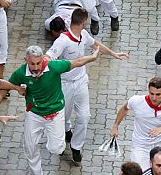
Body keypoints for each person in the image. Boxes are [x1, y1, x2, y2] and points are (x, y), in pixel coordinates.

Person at [47, 8, 127, 162]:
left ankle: (76, 146)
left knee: (84, 116)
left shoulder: (83, 34)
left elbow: (96, 44)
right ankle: (65, 130)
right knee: (64, 115)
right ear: (83, 22)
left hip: (81, 81)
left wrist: (114, 54)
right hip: (64, 84)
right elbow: (49, 57)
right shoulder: (62, 40)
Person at [7, 44, 101, 175]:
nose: (35, 67)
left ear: (42, 59)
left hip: (55, 113)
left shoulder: (54, 66)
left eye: (38, 63)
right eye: (32, 64)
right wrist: (13, 90)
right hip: (34, 113)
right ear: (26, 60)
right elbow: (8, 84)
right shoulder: (21, 72)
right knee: (30, 147)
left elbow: (77, 62)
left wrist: (93, 57)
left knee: (56, 148)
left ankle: (55, 137)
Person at [110, 78, 161, 169]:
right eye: (151, 93)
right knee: (140, 171)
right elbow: (124, 108)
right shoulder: (137, 101)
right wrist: (115, 126)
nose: (154, 98)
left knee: (159, 171)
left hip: (159, 145)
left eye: (158, 94)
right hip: (140, 144)